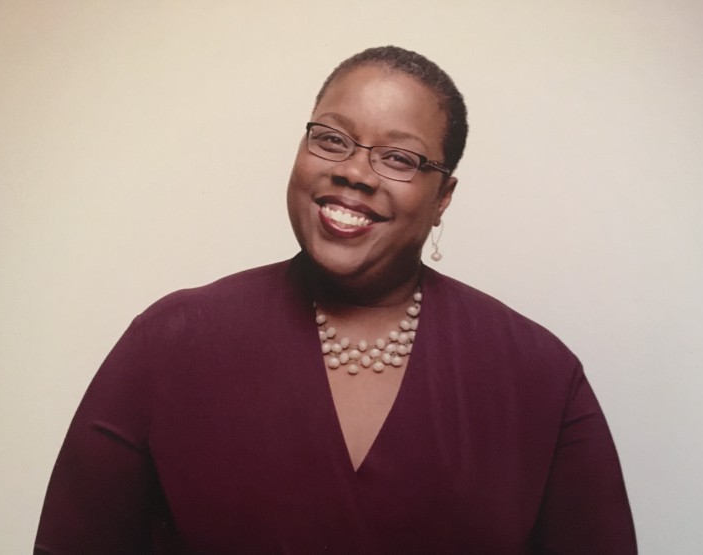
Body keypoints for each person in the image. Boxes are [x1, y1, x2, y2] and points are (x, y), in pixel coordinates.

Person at [35, 46, 637, 554]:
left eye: (398, 158)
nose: (355, 171)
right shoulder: (170, 342)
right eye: (332, 139)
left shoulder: (539, 376)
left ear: (443, 197)